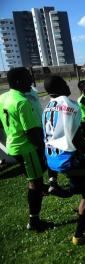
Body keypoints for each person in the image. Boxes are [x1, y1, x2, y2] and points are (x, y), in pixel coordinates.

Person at [42, 75, 85, 245]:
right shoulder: (70, 104)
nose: (67, 84)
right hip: (68, 158)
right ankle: (78, 235)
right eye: (64, 82)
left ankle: (60, 187)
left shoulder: (47, 107)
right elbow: (77, 139)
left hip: (52, 157)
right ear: (59, 87)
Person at [0, 67, 50, 231]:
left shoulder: (4, 97)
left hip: (14, 144)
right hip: (26, 147)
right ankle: (33, 220)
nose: (31, 80)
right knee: (35, 183)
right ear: (19, 81)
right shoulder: (22, 102)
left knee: (36, 179)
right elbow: (33, 134)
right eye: (28, 77)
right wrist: (45, 149)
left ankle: (43, 190)